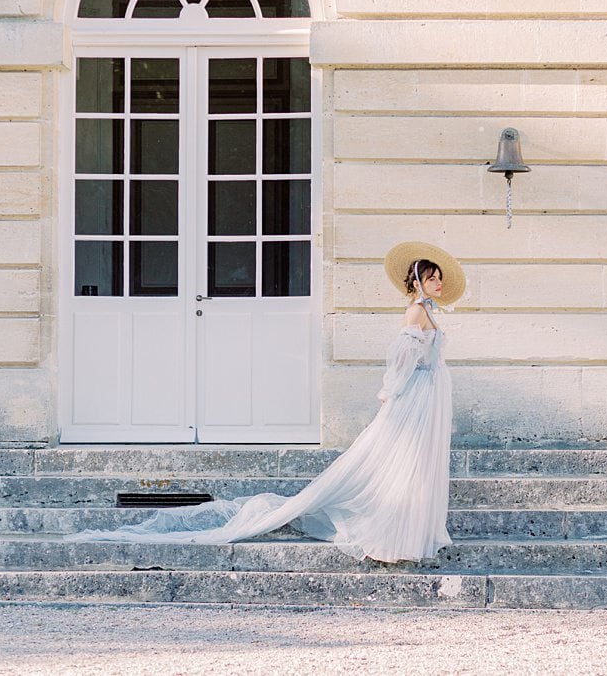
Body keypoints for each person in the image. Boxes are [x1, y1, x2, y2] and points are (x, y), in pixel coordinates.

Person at [67, 241, 464, 563]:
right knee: (404, 461)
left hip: (428, 394)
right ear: (417, 283)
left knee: (418, 462)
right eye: (433, 278)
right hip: (416, 395)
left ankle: (413, 530)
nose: (439, 283)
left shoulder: (428, 313)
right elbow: (402, 361)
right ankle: (392, 534)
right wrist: (390, 392)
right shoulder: (415, 314)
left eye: (440, 279)